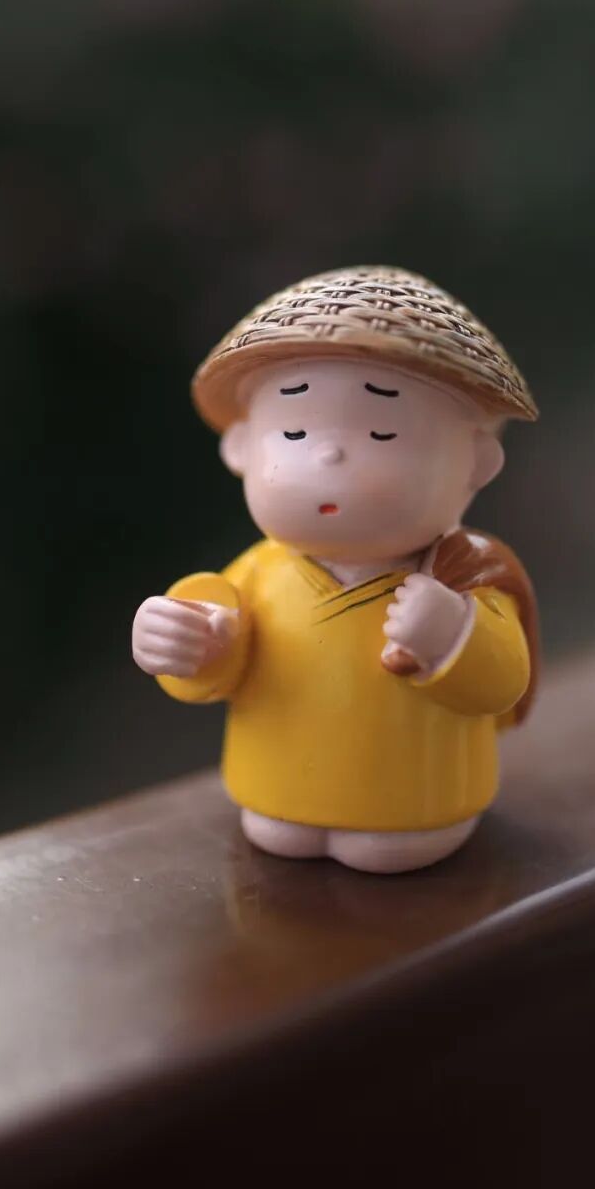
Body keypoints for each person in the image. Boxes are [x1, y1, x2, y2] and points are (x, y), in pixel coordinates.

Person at [131, 265, 539, 874]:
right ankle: (296, 806)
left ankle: (405, 818)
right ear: (241, 448)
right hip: (272, 788)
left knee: (386, 849)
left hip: (421, 799)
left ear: (476, 462)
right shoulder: (256, 574)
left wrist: (454, 637)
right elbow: (212, 658)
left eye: (383, 431)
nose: (329, 453)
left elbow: (504, 680)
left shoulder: (462, 577)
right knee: (278, 829)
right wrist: (186, 644)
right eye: (294, 430)